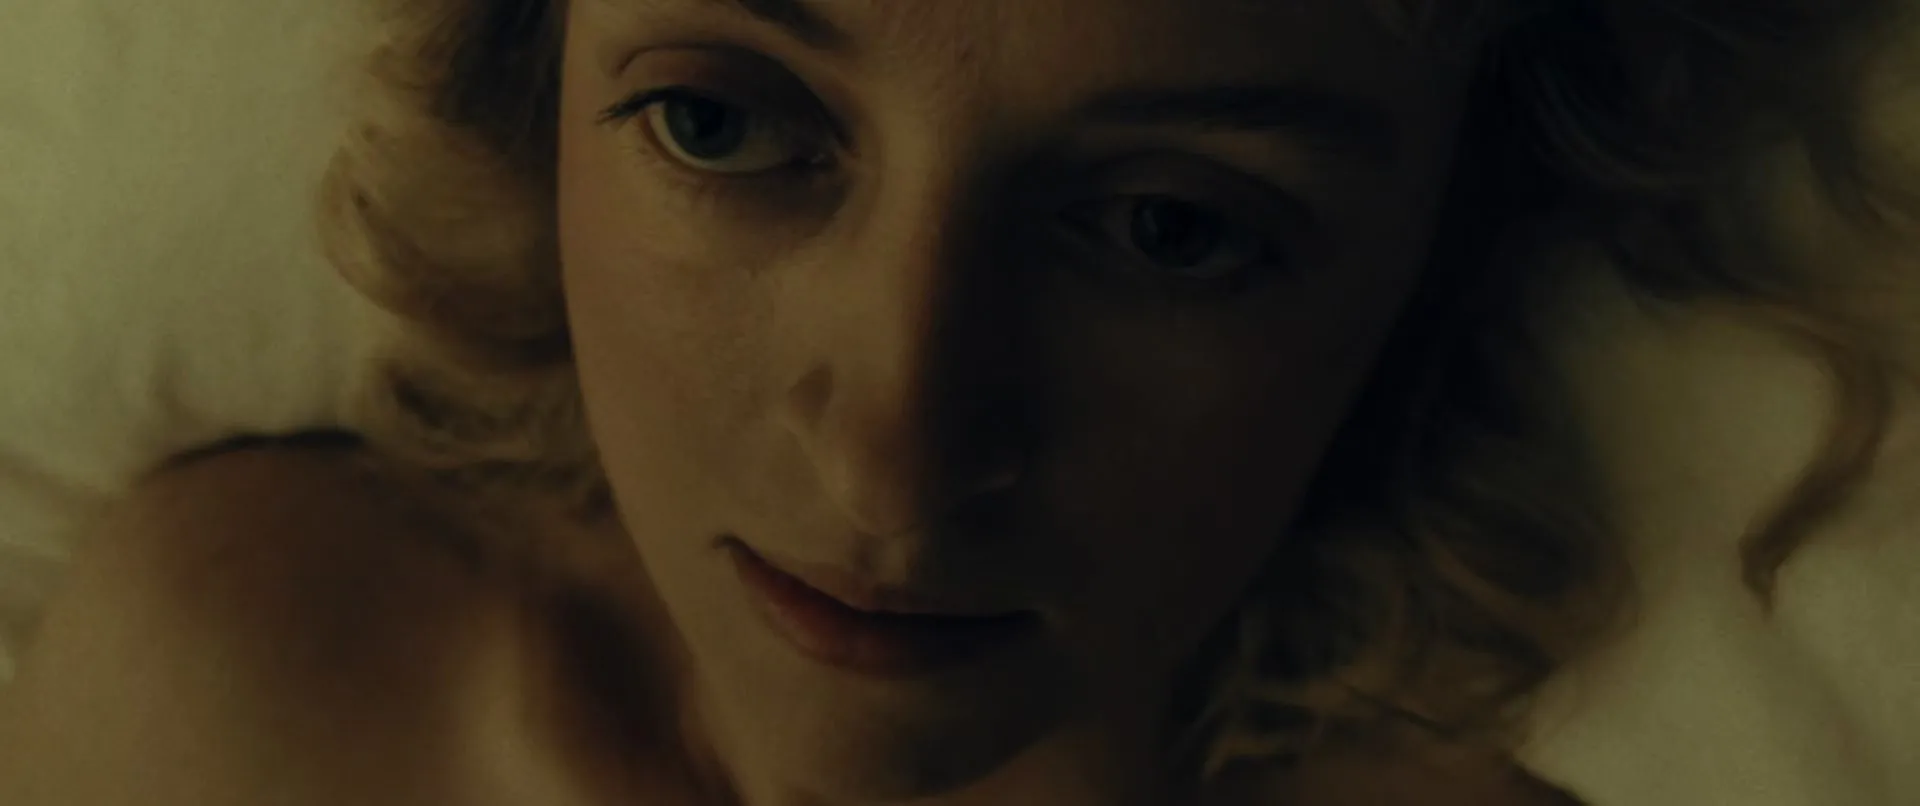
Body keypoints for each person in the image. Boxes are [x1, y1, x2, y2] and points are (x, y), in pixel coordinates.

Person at [1, 0, 1911, 804]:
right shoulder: (248, 695)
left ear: (1437, 248)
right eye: (719, 123)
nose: (895, 458)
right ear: (530, 82)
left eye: (1170, 227)